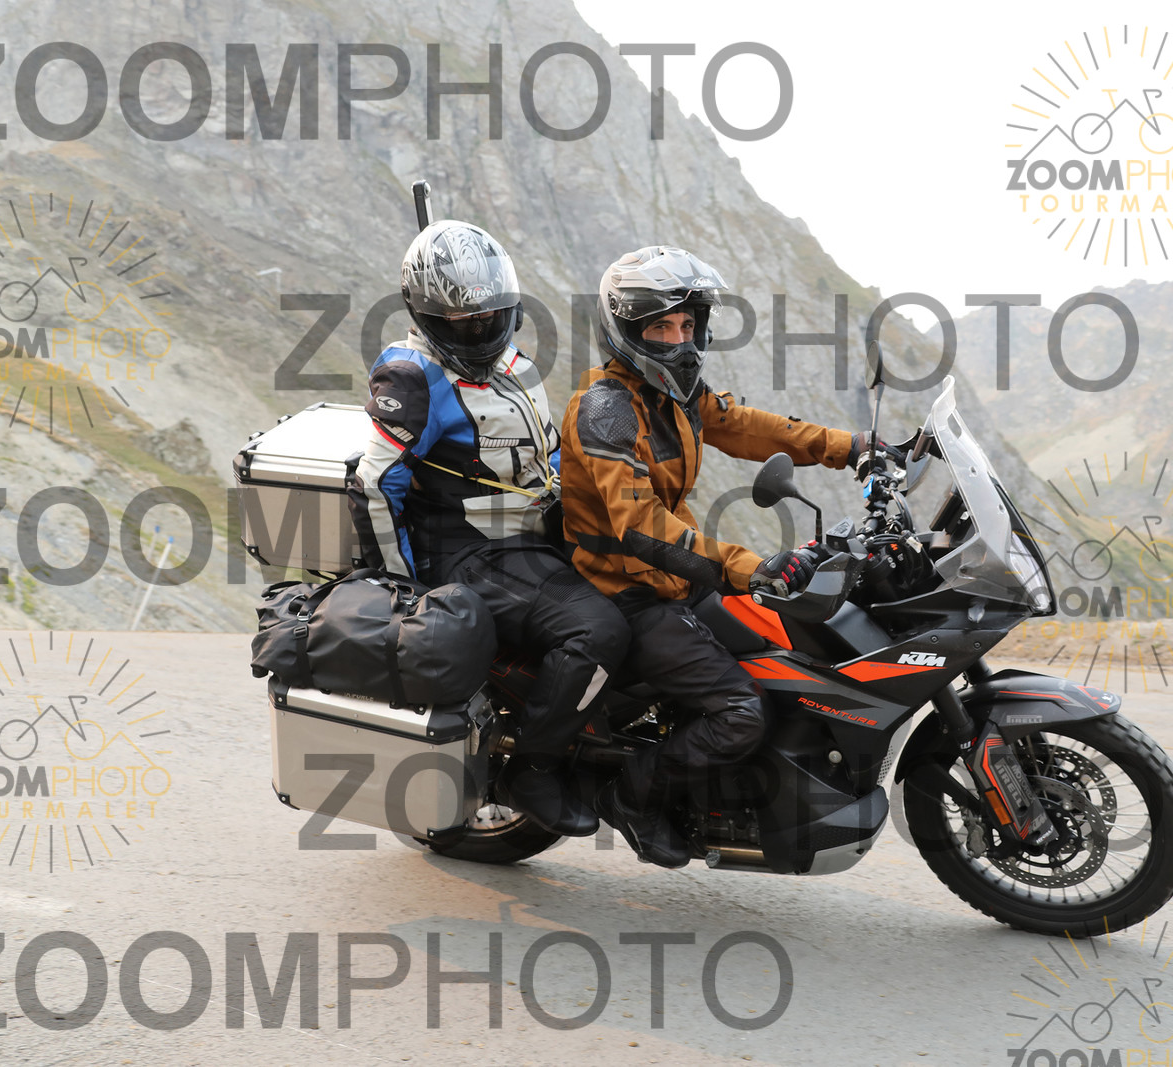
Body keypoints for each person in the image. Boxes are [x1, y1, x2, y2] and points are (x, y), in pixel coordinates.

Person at [557, 245, 898, 867]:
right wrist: (750, 567)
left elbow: (746, 426)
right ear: (627, 332)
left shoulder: (674, 394)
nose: (679, 340)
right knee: (742, 711)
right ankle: (633, 796)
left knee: (788, 657)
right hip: (628, 591)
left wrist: (852, 447)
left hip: (677, 576)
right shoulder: (606, 409)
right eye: (662, 328)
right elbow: (640, 527)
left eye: (687, 325)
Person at [348, 219, 629, 838]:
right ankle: (534, 768)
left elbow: (547, 454)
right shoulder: (412, 377)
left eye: (489, 317)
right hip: (470, 550)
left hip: (534, 535)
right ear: (425, 316)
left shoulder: (514, 364)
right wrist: (403, 590)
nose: (478, 331)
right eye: (460, 323)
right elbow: (374, 484)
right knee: (598, 629)